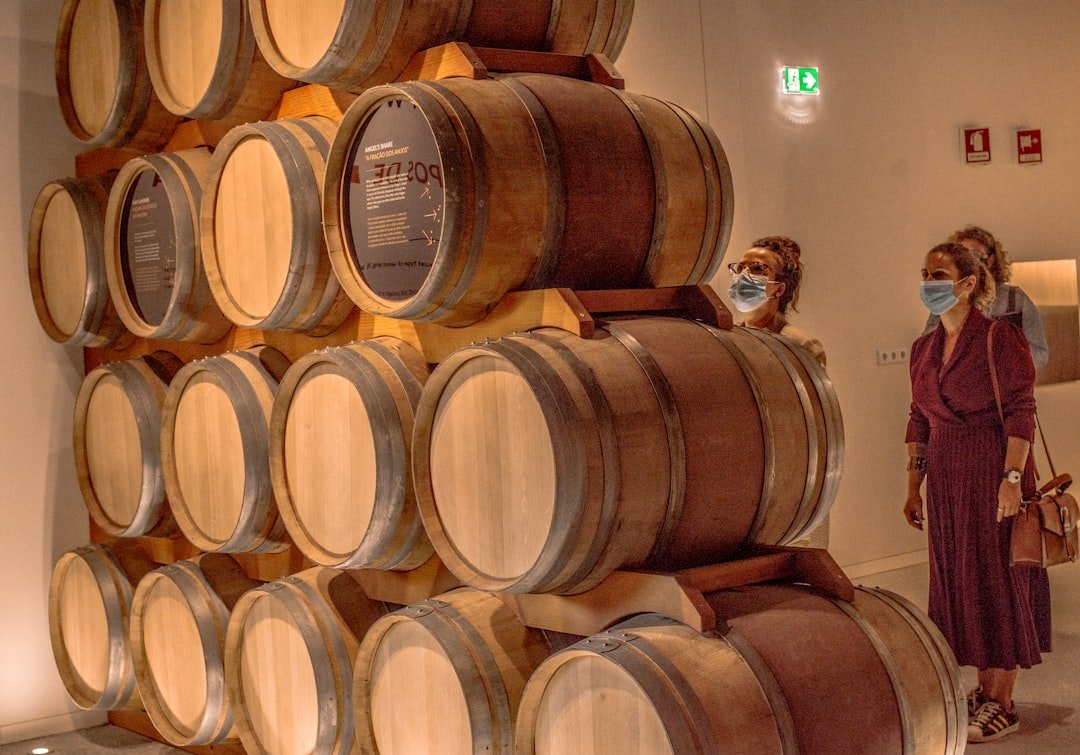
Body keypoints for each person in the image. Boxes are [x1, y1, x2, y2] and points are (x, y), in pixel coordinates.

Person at [903, 241, 1050, 744]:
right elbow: (918, 417)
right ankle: (982, 691)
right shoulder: (923, 348)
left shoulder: (999, 339)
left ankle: (1002, 700)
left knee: (997, 579)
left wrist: (1011, 480)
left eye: (939, 274)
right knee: (960, 579)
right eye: (925, 272)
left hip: (991, 471)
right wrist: (912, 486)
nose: (929, 282)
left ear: (968, 284)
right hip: (946, 479)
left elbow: (1021, 411)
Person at [924, 226, 1049, 369]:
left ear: (990, 261)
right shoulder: (946, 301)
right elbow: (928, 354)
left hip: (1005, 388)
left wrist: (998, 349)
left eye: (973, 256)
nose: (968, 265)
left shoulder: (1014, 300)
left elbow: (1040, 356)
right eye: (961, 259)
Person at [726, 235, 826, 368]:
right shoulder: (728, 339)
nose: (743, 276)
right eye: (740, 268)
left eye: (757, 269)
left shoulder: (801, 347)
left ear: (779, 289)